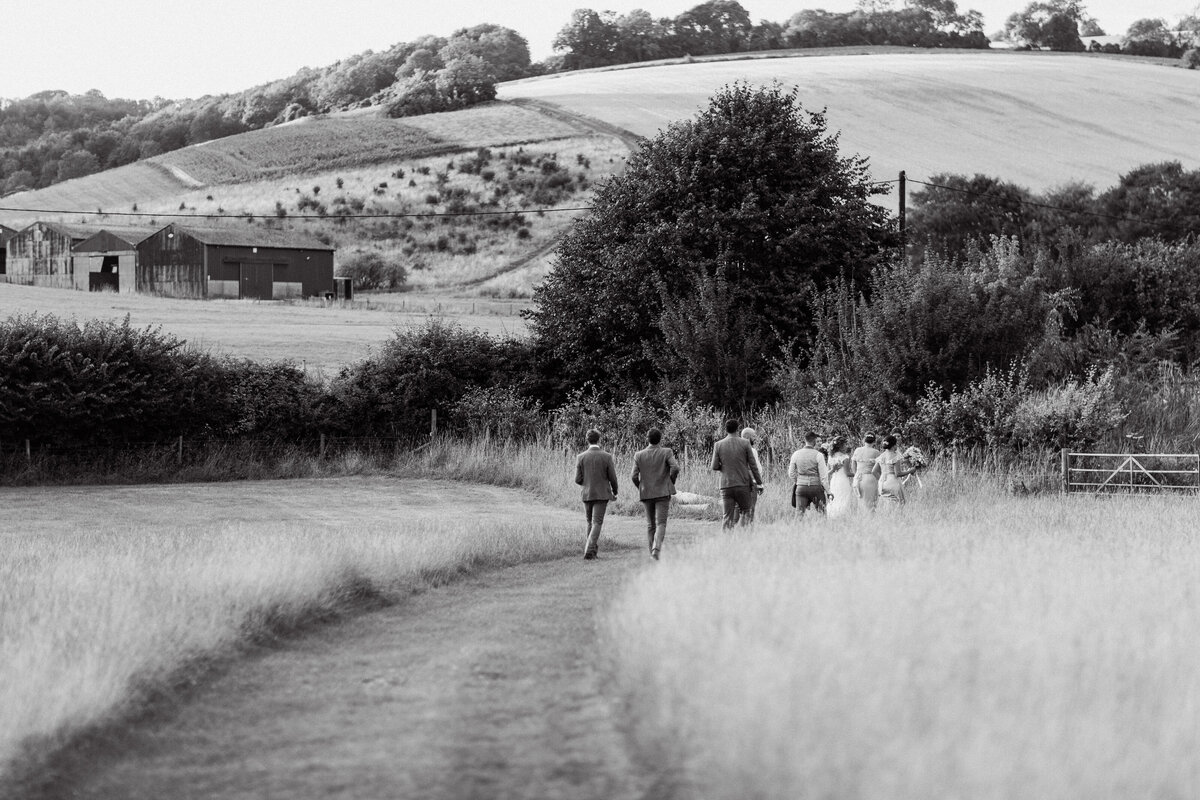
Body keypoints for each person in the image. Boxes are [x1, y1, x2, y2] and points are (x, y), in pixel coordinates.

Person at [632, 428, 681, 560]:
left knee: (650, 524)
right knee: (661, 523)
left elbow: (634, 476)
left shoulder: (639, 455)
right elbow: (675, 468)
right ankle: (656, 549)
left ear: (647, 439)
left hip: (646, 492)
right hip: (662, 492)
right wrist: (671, 481)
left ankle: (652, 552)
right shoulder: (666, 452)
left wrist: (641, 487)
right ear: (660, 439)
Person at [711, 418, 763, 530]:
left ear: (726, 430)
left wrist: (726, 467)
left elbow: (714, 466)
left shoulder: (718, 444)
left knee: (727, 516)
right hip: (742, 484)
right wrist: (759, 483)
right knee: (747, 512)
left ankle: (727, 542)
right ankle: (744, 538)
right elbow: (753, 466)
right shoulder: (745, 443)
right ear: (738, 429)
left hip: (726, 485)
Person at [575, 428, 619, 559]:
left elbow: (577, 479)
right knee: (597, 522)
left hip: (587, 494)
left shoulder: (580, 457)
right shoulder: (606, 456)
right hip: (601, 494)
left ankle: (593, 552)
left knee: (590, 522)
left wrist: (588, 482)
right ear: (598, 439)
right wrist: (615, 491)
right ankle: (589, 550)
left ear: (587, 440)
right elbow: (613, 477)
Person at [788, 430, 829, 516]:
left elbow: (791, 473)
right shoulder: (819, 455)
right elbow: (824, 476)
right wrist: (828, 491)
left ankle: (797, 529)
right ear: (814, 441)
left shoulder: (796, 454)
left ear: (805, 440)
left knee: (799, 514)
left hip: (801, 487)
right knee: (822, 513)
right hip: (816, 487)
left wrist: (799, 481)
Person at [873, 433, 914, 506]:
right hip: (892, 481)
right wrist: (910, 471)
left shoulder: (881, 456)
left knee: (885, 503)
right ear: (893, 445)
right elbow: (898, 473)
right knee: (897, 504)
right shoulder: (895, 456)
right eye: (896, 444)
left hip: (882, 482)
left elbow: (874, 471)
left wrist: (882, 479)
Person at [851, 433, 881, 512]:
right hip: (870, 478)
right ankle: (870, 519)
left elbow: (853, 464)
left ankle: (862, 519)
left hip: (858, 478)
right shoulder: (876, 452)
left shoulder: (858, 450)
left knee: (860, 501)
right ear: (874, 441)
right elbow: (879, 468)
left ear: (864, 440)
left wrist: (856, 474)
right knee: (870, 501)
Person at [741, 427, 766, 523]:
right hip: (751, 483)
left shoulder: (736, 449)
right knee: (750, 509)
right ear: (748, 437)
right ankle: (748, 529)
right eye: (754, 436)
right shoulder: (752, 450)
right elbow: (757, 469)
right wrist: (760, 484)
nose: (756, 439)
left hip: (738, 482)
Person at [826, 436, 854, 518]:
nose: (846, 446)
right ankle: (843, 517)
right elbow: (848, 473)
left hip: (834, 481)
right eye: (845, 444)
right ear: (840, 446)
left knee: (835, 499)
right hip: (843, 481)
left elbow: (828, 473)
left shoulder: (830, 457)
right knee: (844, 499)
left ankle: (833, 516)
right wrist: (857, 474)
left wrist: (833, 470)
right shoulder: (845, 457)